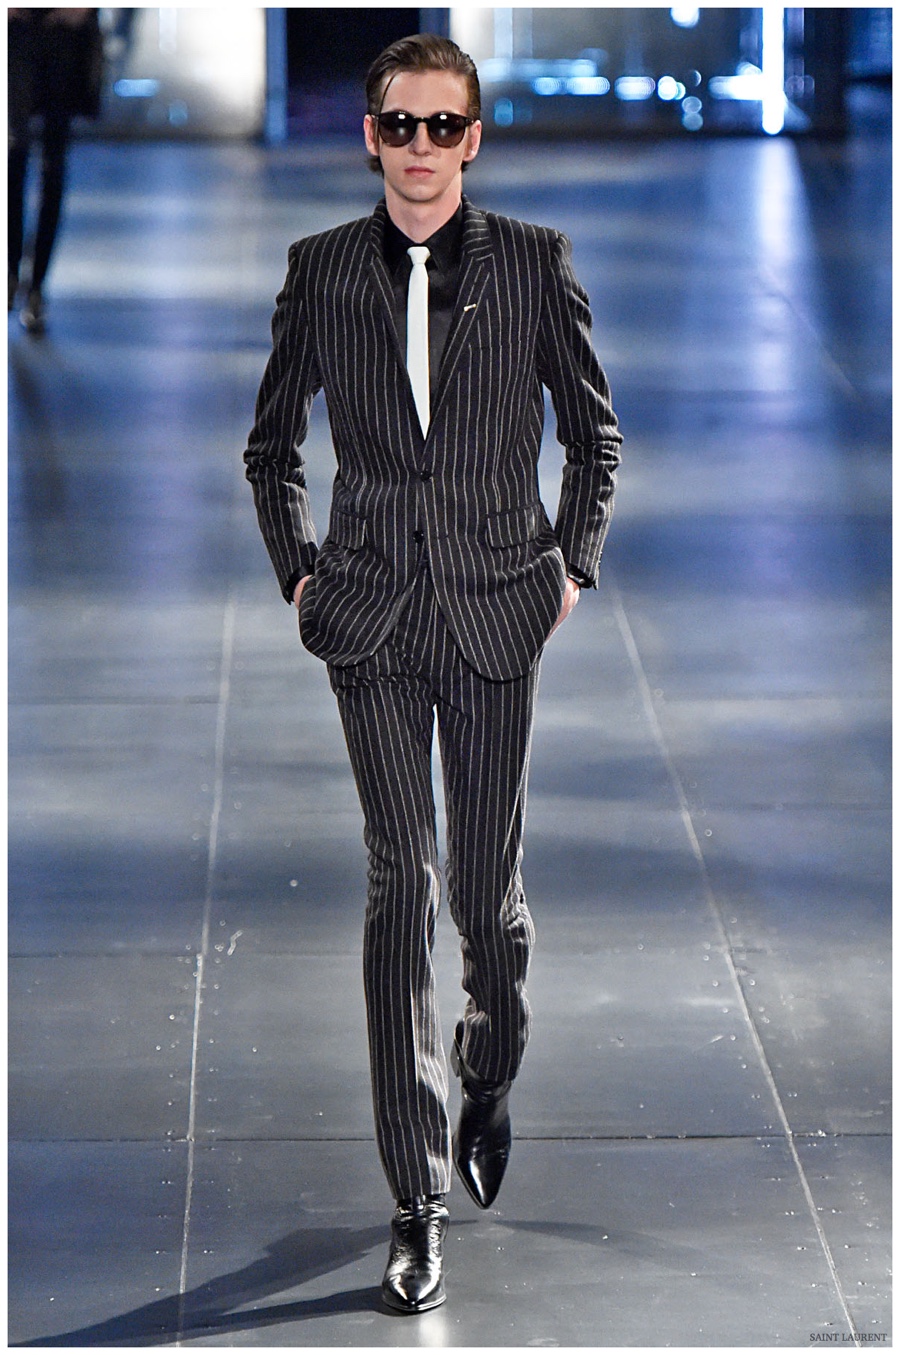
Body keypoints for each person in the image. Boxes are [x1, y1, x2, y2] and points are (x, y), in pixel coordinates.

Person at [244, 32, 622, 1315]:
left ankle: (491, 1058)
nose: (419, 147)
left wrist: (569, 569)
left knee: (485, 900)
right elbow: (271, 446)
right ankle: (415, 1196)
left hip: (499, 610)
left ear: (473, 137)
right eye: (398, 125)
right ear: (370, 136)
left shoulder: (535, 263)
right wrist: (301, 575)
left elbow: (595, 434)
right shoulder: (321, 271)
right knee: (398, 877)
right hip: (369, 619)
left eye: (441, 125)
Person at [8, 7, 102, 334]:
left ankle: (36, 287)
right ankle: (11, 273)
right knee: (14, 154)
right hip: (17, 31)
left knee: (52, 166)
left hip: (65, 35)